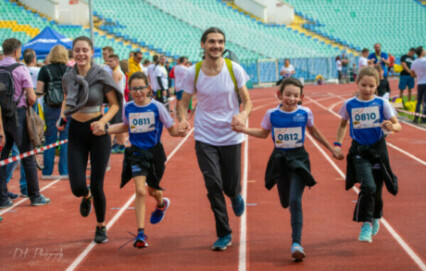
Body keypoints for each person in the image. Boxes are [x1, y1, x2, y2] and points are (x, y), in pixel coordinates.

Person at [235, 77, 343, 261]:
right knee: (285, 201)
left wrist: (332, 148)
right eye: (288, 95)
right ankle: (290, 213)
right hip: (280, 160)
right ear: (279, 95)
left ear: (302, 97)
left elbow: (314, 131)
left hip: (299, 159)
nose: (291, 99)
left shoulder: (305, 113)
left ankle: (296, 243)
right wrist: (243, 130)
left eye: (295, 95)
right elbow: (263, 133)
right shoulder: (271, 114)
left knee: (295, 200)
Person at [177, 27, 252, 251]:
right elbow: (183, 103)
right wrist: (182, 119)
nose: (216, 46)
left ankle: (235, 193)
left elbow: (248, 102)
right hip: (205, 135)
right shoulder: (194, 72)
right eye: (211, 42)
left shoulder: (234, 68)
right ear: (203, 45)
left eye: (220, 42)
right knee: (212, 184)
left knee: (229, 185)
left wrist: (242, 114)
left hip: (231, 135)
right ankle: (224, 233)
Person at [93, 72, 179, 248]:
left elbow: (172, 130)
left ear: (148, 88)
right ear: (129, 90)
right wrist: (106, 129)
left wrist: (182, 130)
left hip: (155, 153)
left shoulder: (157, 107)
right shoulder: (128, 108)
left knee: (153, 192)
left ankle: (161, 204)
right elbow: (126, 126)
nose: (138, 92)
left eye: (141, 88)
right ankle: (141, 233)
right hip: (137, 153)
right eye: (134, 88)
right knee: (140, 191)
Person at [59, 36, 122, 243]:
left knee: (97, 184)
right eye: (77, 50)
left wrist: (103, 122)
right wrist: (62, 116)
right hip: (76, 130)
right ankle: (85, 197)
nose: (81, 54)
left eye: (85, 50)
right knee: (77, 186)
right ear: (73, 53)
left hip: (98, 132)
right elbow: (66, 99)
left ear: (91, 52)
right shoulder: (68, 77)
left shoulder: (102, 75)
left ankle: (101, 225)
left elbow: (114, 104)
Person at [335, 66, 401, 243]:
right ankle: (366, 223)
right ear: (357, 84)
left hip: (378, 150)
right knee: (368, 186)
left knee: (377, 189)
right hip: (359, 151)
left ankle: (375, 216)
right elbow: (342, 125)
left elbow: (398, 125)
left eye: (371, 86)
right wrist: (337, 145)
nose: (367, 89)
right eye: (363, 85)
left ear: (377, 86)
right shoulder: (349, 104)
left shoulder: (381, 103)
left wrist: (391, 126)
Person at [0, 38, 50, 209]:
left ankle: (2, 197)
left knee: (2, 157)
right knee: (27, 156)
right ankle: (34, 195)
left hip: (2, 117)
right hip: (19, 116)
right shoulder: (20, 68)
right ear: (17, 52)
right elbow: (31, 96)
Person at [36, 45, 70, 178]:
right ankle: (64, 170)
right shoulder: (70, 70)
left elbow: (39, 90)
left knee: (50, 139)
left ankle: (47, 171)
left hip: (50, 106)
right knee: (65, 139)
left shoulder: (45, 69)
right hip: (66, 107)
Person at [107, 54, 127, 154]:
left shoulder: (115, 73)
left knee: (113, 125)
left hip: (117, 103)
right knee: (117, 123)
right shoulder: (119, 71)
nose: (108, 63)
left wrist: (110, 102)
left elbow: (112, 90)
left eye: (111, 61)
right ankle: (120, 144)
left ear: (116, 61)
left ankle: (112, 145)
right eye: (108, 61)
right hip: (120, 102)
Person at [411, 46, 426, 124]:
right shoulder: (425, 60)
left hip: (419, 82)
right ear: (421, 52)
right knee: (425, 101)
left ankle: (416, 117)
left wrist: (418, 75)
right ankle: (424, 118)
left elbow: (412, 74)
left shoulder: (414, 62)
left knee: (419, 101)